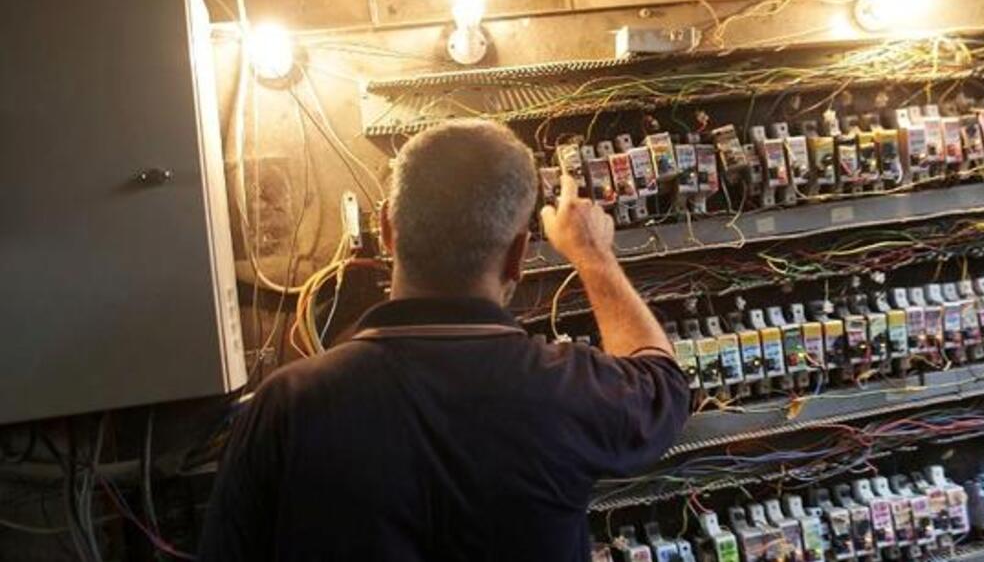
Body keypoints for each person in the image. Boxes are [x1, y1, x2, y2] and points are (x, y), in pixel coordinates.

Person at [199, 119, 690, 561]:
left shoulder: (285, 405)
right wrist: (592, 254)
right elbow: (663, 385)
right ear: (520, 254)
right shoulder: (567, 391)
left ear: (387, 229)